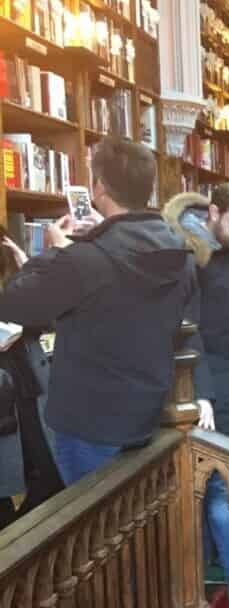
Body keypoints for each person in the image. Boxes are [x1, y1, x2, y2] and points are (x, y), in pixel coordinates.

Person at [0, 136, 194, 484]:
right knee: (133, 515)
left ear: (99, 187)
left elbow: (15, 304)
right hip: (148, 409)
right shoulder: (178, 252)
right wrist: (96, 238)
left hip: (90, 422)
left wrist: (54, 252)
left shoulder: (82, 259)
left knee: (95, 525)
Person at [166, 184, 229, 608]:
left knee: (226, 494)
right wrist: (199, 389)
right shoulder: (192, 256)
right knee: (219, 494)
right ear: (213, 212)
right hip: (211, 395)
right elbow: (188, 328)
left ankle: (221, 573)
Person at [0, 233, 63, 528]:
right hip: (10, 398)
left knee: (48, 475)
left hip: (27, 391)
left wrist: (28, 267)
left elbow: (49, 317)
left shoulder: (15, 282)